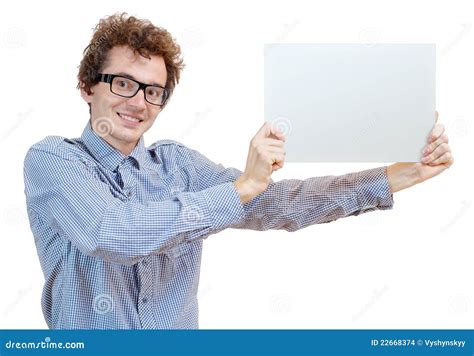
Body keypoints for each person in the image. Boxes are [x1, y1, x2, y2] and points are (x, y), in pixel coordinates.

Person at [23, 13, 454, 329]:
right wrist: (241, 186)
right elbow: (113, 234)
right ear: (87, 86)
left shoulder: (178, 165)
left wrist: (404, 174)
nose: (138, 102)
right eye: (123, 83)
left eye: (153, 91)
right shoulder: (54, 161)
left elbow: (279, 203)